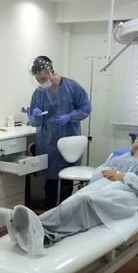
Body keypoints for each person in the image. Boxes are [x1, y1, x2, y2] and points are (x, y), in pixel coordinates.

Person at [0, 134, 138, 256]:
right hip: (102, 188)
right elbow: (99, 171)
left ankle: (32, 225)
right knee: (74, 200)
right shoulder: (119, 158)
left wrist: (126, 177)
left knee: (84, 200)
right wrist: (108, 172)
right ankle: (37, 231)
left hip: (124, 197)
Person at [27, 56, 92, 210]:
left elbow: (86, 108)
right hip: (48, 142)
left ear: (52, 71)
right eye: (38, 80)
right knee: (50, 180)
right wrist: (35, 117)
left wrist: (70, 116)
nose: (41, 82)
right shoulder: (38, 93)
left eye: (43, 79)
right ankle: (50, 213)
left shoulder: (72, 87)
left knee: (67, 179)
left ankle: (65, 212)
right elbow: (35, 122)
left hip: (69, 141)